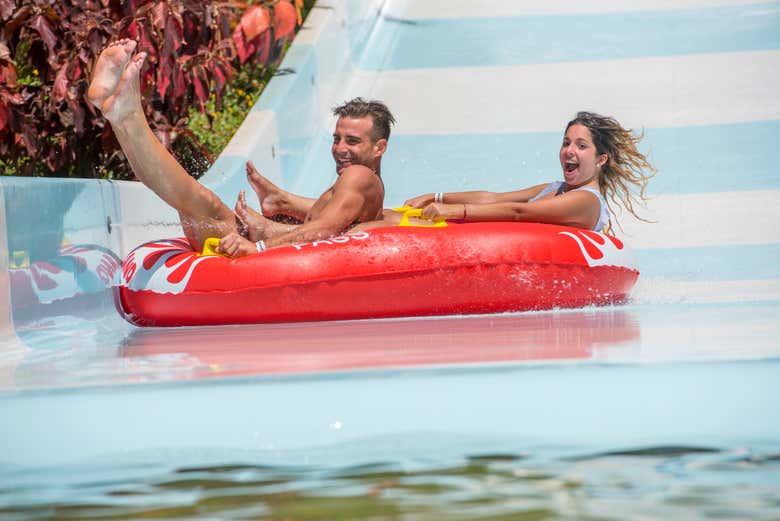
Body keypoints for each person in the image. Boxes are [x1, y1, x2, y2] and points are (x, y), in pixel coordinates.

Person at [87, 39, 395, 257]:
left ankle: (126, 115)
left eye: (353, 141)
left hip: (254, 247)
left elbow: (323, 231)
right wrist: (282, 201)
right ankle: (121, 116)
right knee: (189, 200)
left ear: (379, 147)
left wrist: (258, 244)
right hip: (261, 236)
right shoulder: (359, 185)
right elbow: (340, 220)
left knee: (199, 200)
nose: (340, 148)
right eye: (337, 138)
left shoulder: (358, 176)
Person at [367, 111, 655, 233]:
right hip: (499, 236)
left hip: (529, 250)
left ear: (601, 159)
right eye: (566, 143)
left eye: (582, 146)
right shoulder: (554, 188)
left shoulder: (587, 200)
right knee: (391, 216)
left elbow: (521, 213)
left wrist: (454, 211)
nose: (569, 151)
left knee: (391, 225)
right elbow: (494, 198)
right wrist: (438, 196)